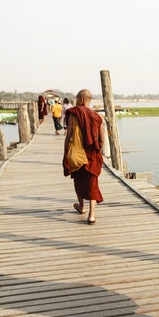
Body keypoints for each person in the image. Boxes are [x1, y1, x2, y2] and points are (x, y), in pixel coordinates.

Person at [63, 89, 104, 224]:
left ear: (81, 99)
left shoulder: (74, 114)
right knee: (92, 183)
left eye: (77, 98)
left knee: (78, 181)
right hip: (91, 154)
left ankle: (81, 206)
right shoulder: (97, 117)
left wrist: (65, 152)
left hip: (77, 152)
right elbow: (102, 139)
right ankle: (92, 215)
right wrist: (98, 152)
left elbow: (69, 135)